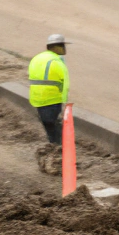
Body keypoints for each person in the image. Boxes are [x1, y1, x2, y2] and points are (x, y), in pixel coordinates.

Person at [28, 33, 69, 174]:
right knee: (53, 128)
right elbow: (65, 83)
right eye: (63, 46)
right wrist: (64, 102)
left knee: (49, 125)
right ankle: (59, 155)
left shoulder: (37, 58)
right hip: (52, 99)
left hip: (37, 98)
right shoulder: (57, 62)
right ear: (58, 47)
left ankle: (56, 151)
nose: (64, 49)